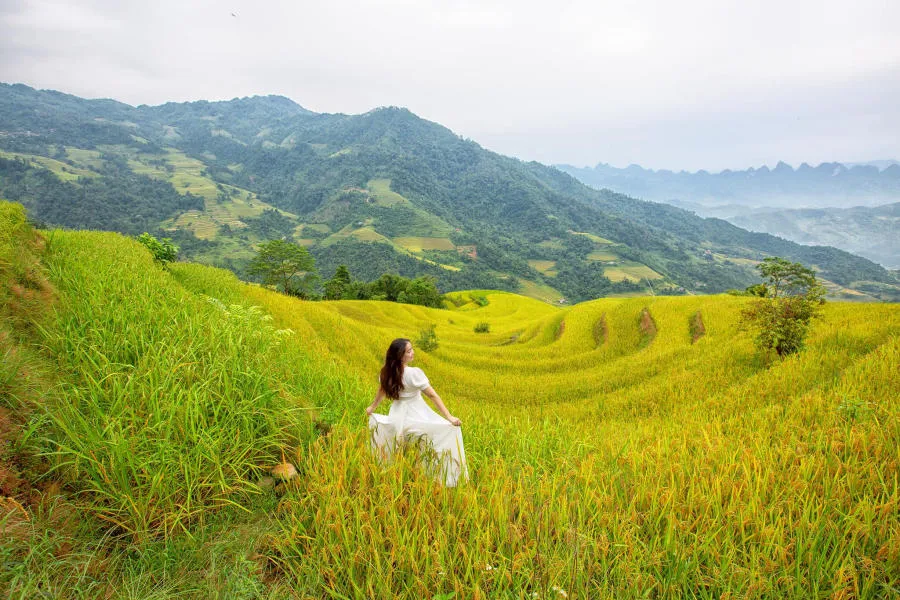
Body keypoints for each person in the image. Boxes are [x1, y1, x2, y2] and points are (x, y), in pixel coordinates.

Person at [366, 338, 468, 487]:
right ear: (400, 356)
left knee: (403, 447)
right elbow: (432, 395)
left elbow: (381, 390)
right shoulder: (414, 373)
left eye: (412, 349)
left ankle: (405, 477)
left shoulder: (385, 372)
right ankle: (432, 479)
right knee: (431, 442)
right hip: (416, 414)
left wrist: (372, 407)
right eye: (409, 351)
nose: (413, 353)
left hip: (397, 415)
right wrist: (449, 417)